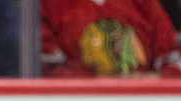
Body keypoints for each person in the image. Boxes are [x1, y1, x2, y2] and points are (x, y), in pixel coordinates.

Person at [42, 0, 181, 77]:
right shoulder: (49, 5)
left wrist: (153, 80)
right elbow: (46, 70)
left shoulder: (146, 5)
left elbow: (174, 61)